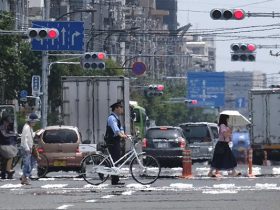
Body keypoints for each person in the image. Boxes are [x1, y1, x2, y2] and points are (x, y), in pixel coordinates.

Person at [104, 100, 127, 185]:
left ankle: (116, 180)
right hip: (111, 141)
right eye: (121, 107)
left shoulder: (117, 118)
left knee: (116, 160)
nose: (122, 109)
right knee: (115, 160)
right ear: (116, 108)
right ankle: (114, 180)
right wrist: (121, 135)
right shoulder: (111, 118)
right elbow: (115, 129)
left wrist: (124, 135)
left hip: (116, 141)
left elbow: (120, 129)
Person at [20, 113, 40, 185]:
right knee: (27, 164)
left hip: (29, 148)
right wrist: (27, 148)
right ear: (31, 121)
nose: (35, 123)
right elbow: (24, 139)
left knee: (31, 162)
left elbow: (30, 136)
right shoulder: (26, 128)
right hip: (26, 148)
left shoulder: (29, 127)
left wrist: (36, 132)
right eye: (35, 121)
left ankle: (24, 177)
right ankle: (24, 178)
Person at [0, 114, 17, 179]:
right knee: (11, 155)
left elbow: (9, 133)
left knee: (9, 155)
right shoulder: (1, 127)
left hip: (5, 145)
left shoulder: (6, 127)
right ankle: (8, 169)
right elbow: (5, 135)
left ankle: (4, 172)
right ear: (4, 121)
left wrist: (13, 134)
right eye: (7, 122)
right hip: (2, 145)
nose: (8, 123)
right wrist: (13, 134)